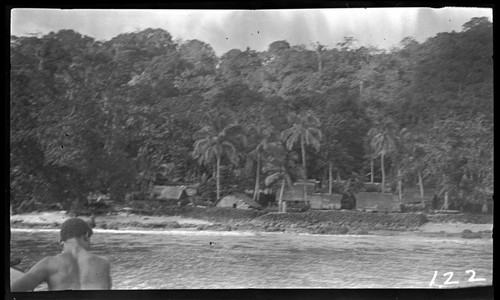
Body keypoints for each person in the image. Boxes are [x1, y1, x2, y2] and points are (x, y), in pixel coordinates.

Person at [11, 218, 111, 291]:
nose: (90, 245)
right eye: (90, 241)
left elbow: (13, 289)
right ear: (86, 236)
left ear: (61, 242)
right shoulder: (103, 263)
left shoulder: (49, 263)